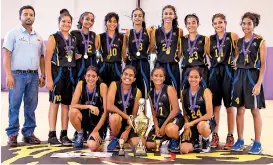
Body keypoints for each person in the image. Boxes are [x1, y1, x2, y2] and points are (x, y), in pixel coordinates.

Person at [3, 5, 45, 147]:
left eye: (31, 14)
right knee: (14, 105)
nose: (28, 16)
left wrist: (42, 75)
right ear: (20, 17)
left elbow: (42, 58)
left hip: (33, 77)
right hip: (17, 76)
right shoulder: (12, 34)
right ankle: (13, 134)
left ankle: (28, 133)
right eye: (25, 14)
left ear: (34, 17)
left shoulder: (38, 37)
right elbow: (7, 56)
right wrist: (8, 75)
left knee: (31, 106)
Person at [231, 12, 266, 154]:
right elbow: (237, 57)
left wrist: (258, 84)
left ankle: (257, 142)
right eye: (244, 23)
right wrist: (235, 61)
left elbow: (263, 65)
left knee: (254, 110)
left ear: (254, 25)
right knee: (239, 110)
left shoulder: (260, 41)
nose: (246, 26)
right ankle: (240, 140)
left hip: (252, 75)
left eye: (249, 23)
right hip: (239, 75)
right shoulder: (238, 41)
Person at [45, 9, 76, 146]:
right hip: (57, 74)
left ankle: (64, 134)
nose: (66, 24)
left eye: (69, 22)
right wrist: (49, 79)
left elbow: (74, 55)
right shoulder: (53, 37)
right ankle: (52, 134)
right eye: (63, 21)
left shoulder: (73, 38)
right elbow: (47, 59)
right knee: (54, 104)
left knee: (66, 106)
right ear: (59, 23)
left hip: (70, 74)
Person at [208, 13, 239, 149]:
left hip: (228, 72)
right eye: (215, 23)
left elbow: (240, 48)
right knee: (216, 107)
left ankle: (230, 135)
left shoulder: (232, 36)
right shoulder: (210, 39)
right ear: (213, 25)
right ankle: (215, 135)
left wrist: (236, 61)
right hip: (214, 72)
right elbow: (208, 54)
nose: (218, 25)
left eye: (220, 22)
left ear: (225, 23)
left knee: (229, 106)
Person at [146, 66, 184, 153]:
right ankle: (166, 137)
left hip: (174, 118)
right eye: (155, 75)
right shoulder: (150, 93)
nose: (158, 78)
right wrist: (156, 127)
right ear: (151, 77)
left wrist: (163, 127)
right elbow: (154, 114)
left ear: (164, 78)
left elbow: (175, 109)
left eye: (161, 76)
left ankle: (175, 139)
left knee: (170, 129)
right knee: (149, 145)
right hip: (161, 120)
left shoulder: (169, 88)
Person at [70, 66, 108, 150]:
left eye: (93, 76)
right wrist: (89, 106)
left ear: (97, 78)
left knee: (92, 146)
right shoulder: (81, 84)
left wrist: (96, 131)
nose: (90, 78)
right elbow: (73, 105)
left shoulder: (102, 86)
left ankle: (93, 134)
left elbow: (105, 112)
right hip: (85, 119)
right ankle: (80, 133)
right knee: (72, 112)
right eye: (88, 75)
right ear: (85, 76)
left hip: (98, 122)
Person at [180, 67, 215, 153]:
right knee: (184, 149)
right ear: (188, 78)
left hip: (205, 123)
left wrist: (191, 123)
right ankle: (195, 142)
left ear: (200, 78)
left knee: (201, 125)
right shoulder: (183, 93)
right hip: (192, 124)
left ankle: (205, 140)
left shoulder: (206, 91)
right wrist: (187, 127)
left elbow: (209, 114)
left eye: (196, 77)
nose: (193, 79)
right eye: (191, 77)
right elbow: (185, 113)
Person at [106, 66, 141, 150]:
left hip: (129, 123)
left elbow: (134, 115)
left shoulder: (138, 92)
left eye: (131, 75)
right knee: (115, 118)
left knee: (138, 145)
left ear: (134, 79)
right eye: (125, 74)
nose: (128, 77)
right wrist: (126, 116)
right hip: (117, 121)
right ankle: (117, 136)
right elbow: (109, 106)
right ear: (121, 76)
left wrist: (128, 130)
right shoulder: (114, 85)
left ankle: (125, 138)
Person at [150, 5, 182, 97]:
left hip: (173, 65)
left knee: (174, 92)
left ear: (174, 16)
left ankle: (175, 111)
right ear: (162, 16)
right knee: (159, 91)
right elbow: (152, 49)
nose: (168, 16)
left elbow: (180, 49)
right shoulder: (155, 31)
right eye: (166, 13)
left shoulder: (179, 31)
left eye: (170, 13)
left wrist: (176, 58)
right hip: (160, 64)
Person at [125, 8, 153, 98]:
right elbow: (125, 48)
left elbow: (152, 46)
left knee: (144, 87)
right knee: (130, 87)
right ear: (132, 18)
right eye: (135, 16)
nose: (137, 18)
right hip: (131, 63)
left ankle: (144, 109)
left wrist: (145, 54)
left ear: (143, 18)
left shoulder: (149, 31)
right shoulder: (128, 32)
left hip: (143, 62)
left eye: (140, 16)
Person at [96, 12, 127, 86]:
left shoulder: (122, 37)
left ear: (117, 23)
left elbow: (124, 54)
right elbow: (94, 50)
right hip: (103, 65)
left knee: (115, 88)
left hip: (116, 65)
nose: (112, 23)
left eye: (114, 21)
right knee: (102, 87)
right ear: (106, 22)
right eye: (110, 21)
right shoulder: (99, 36)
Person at [181, 14, 209, 89]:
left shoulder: (204, 39)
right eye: (188, 23)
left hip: (201, 70)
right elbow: (178, 55)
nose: (191, 25)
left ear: (198, 24)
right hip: (187, 70)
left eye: (193, 22)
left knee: (202, 95)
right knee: (186, 95)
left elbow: (210, 56)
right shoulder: (182, 40)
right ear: (186, 25)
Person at [71, 11, 97, 82]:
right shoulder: (74, 33)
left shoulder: (93, 34)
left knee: (90, 82)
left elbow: (96, 49)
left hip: (91, 61)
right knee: (79, 81)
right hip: (79, 62)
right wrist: (74, 54)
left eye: (92, 20)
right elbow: (69, 47)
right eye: (87, 19)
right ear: (82, 20)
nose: (89, 22)